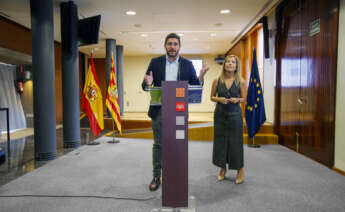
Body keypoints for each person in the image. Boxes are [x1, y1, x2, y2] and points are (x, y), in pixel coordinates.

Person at [141, 33, 209, 191]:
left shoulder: (187, 64)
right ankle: (157, 176)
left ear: (179, 46)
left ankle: (176, 176)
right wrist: (148, 83)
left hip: (179, 111)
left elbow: (194, 86)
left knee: (178, 144)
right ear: (165, 46)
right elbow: (145, 85)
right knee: (158, 144)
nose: (172, 47)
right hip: (159, 110)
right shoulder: (155, 62)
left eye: (175, 44)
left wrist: (201, 76)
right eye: (169, 44)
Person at [210, 54, 245, 184]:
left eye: (233, 62)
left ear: (236, 66)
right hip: (220, 115)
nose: (230, 64)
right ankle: (222, 168)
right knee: (221, 142)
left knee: (236, 143)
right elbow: (212, 96)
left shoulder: (240, 81)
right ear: (224, 65)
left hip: (235, 115)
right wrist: (219, 99)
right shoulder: (217, 80)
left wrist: (237, 100)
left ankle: (240, 170)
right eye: (228, 62)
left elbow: (244, 98)